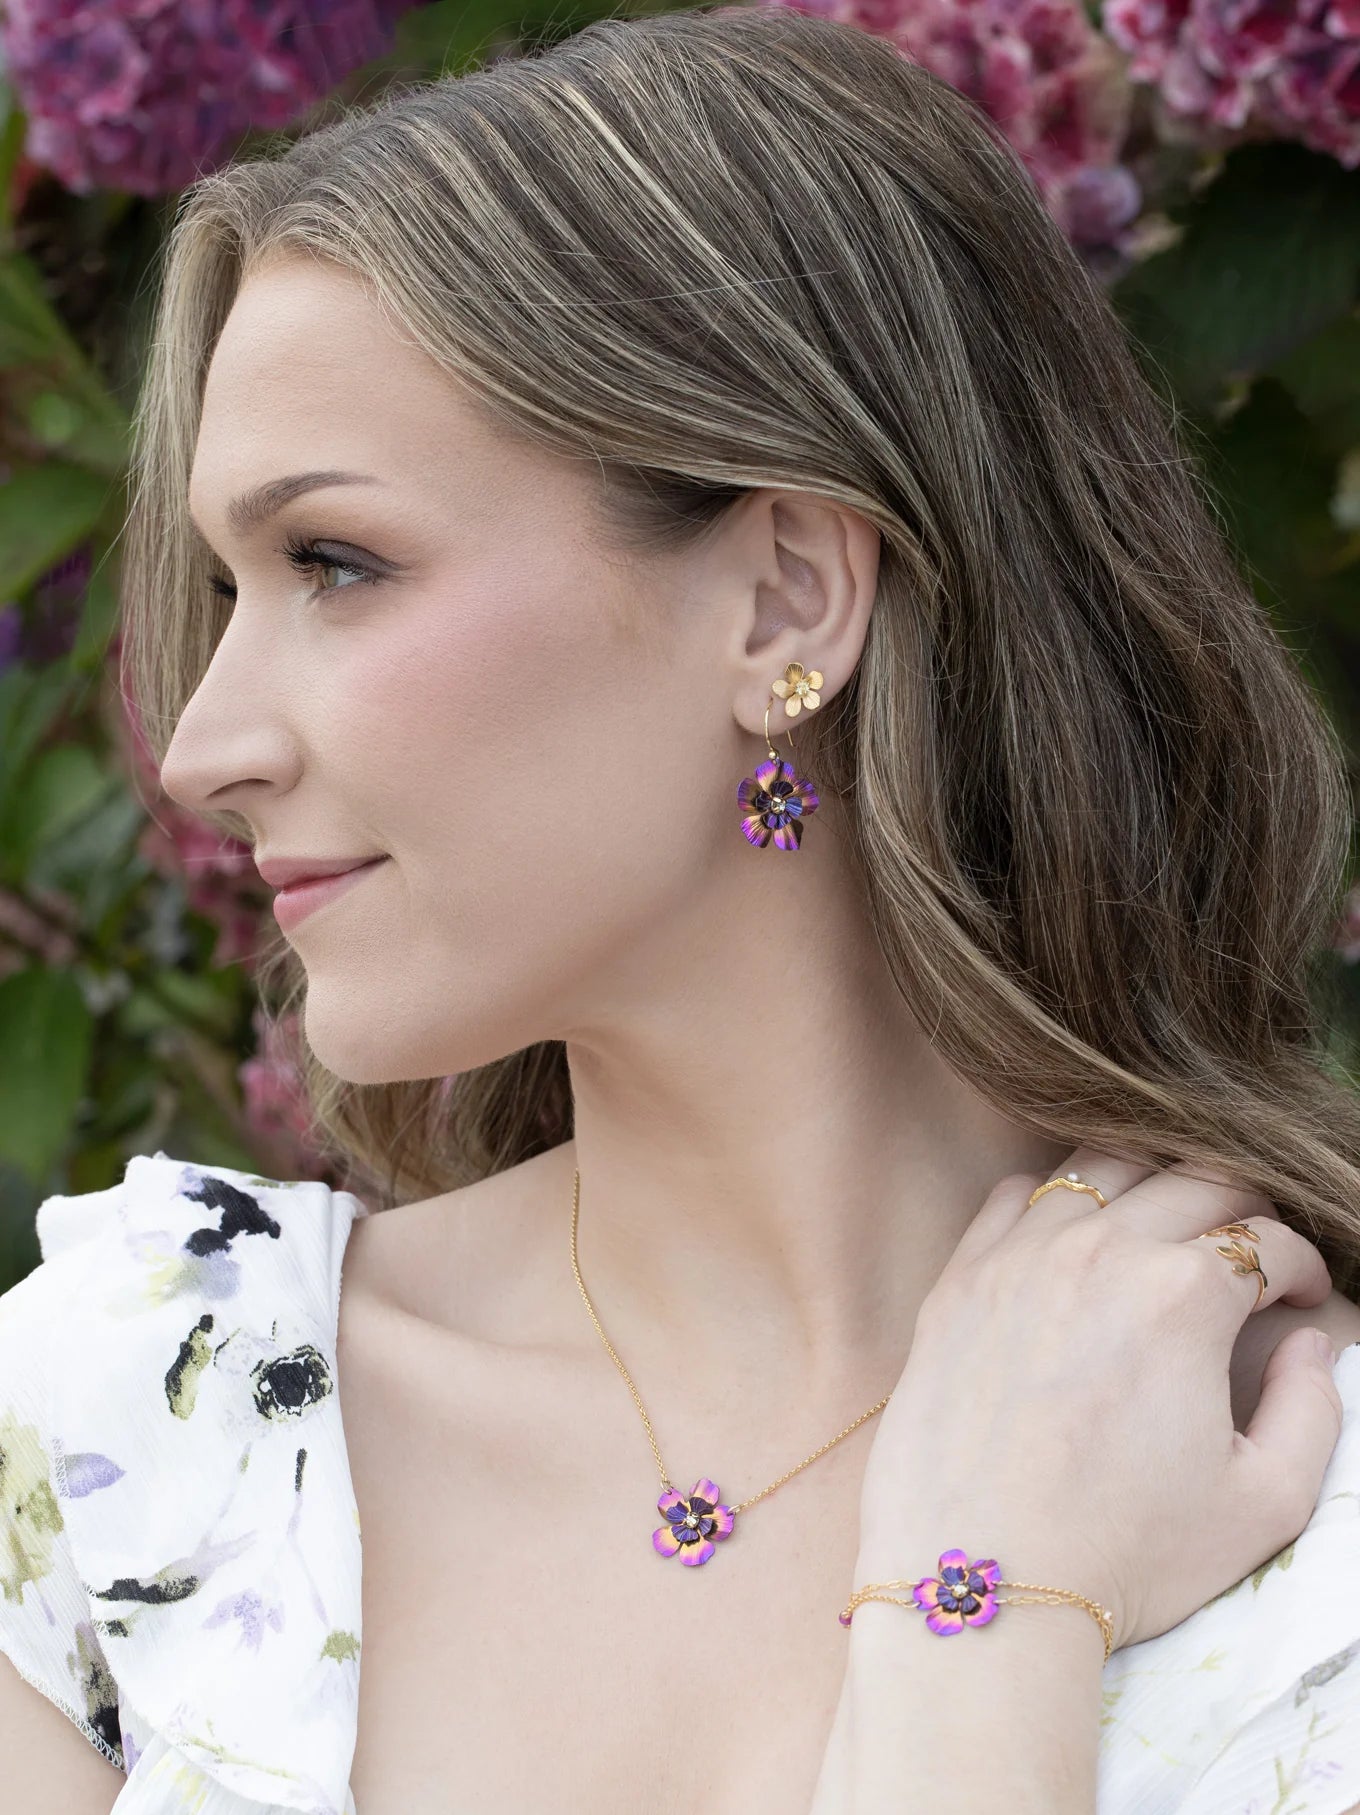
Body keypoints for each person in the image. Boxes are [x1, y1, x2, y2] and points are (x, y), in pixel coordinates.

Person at [3, 5, 1360, 1810]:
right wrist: (984, 1623)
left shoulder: (1312, 1516)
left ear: (786, 598)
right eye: (234, 584)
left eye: (336, 561)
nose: (201, 748)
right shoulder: (136, 1432)